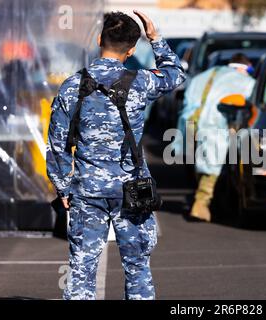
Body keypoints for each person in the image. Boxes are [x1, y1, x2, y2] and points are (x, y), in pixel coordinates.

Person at [46, 11, 185, 300]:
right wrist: (155, 38)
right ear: (133, 49)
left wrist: (62, 187)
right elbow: (176, 74)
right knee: (137, 267)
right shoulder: (142, 81)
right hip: (132, 189)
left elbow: (57, 143)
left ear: (99, 40)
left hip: (86, 190)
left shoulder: (73, 86)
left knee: (82, 267)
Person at [182, 53, 255, 222]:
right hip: (216, 127)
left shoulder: (203, 76)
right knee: (212, 167)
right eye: (250, 69)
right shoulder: (243, 81)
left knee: (201, 164)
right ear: (243, 68)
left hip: (191, 123)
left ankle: (205, 202)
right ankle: (201, 204)